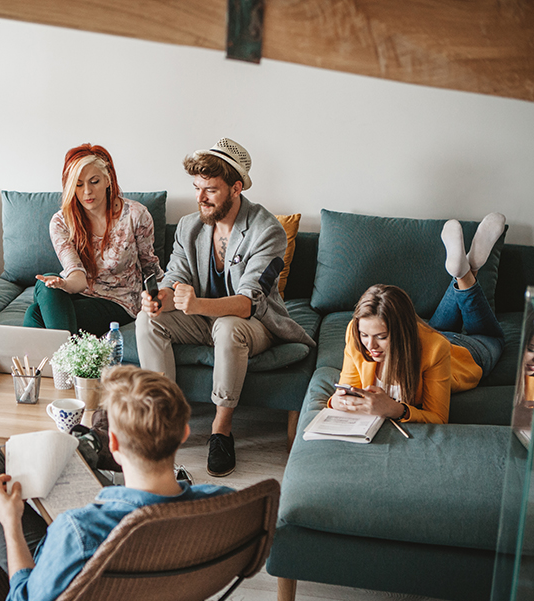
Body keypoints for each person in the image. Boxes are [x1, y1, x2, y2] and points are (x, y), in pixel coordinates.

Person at [0, 366, 232, 601]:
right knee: (70, 462)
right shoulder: (223, 503)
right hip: (149, 583)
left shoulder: (76, 529)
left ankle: (89, 441)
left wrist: (11, 523)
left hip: (74, 582)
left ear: (115, 444)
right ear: (184, 433)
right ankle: (87, 443)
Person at [135, 138, 314, 477]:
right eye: (196, 188)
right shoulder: (189, 227)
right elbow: (175, 278)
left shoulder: (268, 230)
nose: (200, 198)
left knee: (228, 326)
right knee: (148, 320)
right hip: (202, 320)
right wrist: (160, 299)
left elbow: (249, 303)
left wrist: (197, 303)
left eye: (210, 190)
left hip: (256, 324)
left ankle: (221, 430)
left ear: (235, 188)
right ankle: (164, 421)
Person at [330, 213, 508, 424]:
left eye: (382, 336)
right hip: (432, 333)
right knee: (435, 328)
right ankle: (464, 271)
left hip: (469, 350)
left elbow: (438, 417)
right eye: (364, 334)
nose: (370, 345)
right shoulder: (355, 333)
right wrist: (336, 402)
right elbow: (346, 387)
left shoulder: (434, 349)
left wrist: (395, 409)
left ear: (404, 329)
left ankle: (466, 271)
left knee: (490, 335)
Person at [23, 144, 162, 336]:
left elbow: (149, 265)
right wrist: (63, 284)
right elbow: (77, 278)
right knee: (44, 287)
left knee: (35, 314)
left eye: (94, 181)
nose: (87, 191)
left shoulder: (135, 215)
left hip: (119, 302)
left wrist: (164, 293)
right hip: (79, 292)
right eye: (78, 185)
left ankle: (63, 358)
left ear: (107, 180)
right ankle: (70, 357)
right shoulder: (61, 222)